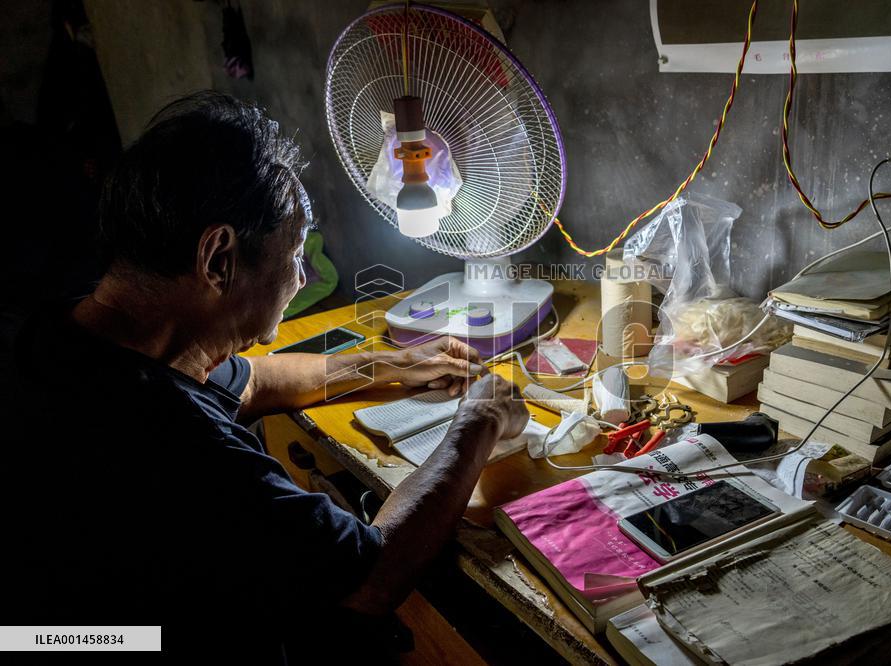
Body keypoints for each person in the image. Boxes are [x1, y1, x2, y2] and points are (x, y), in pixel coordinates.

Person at [6, 91, 529, 661]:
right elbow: (372, 576)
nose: (303, 277)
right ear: (218, 259)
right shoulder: (179, 449)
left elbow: (251, 381)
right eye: (296, 252)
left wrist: (386, 364)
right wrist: (478, 419)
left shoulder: (74, 331)